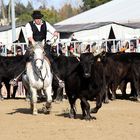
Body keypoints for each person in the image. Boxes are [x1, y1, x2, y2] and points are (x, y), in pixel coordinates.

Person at [25, 10, 64, 87]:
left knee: (51, 60)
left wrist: (55, 34)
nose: (38, 20)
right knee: (25, 59)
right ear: (34, 19)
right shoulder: (28, 25)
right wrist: (35, 45)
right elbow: (30, 37)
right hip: (33, 46)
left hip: (44, 46)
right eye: (36, 18)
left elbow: (54, 32)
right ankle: (19, 77)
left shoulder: (46, 24)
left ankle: (57, 78)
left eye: (39, 18)